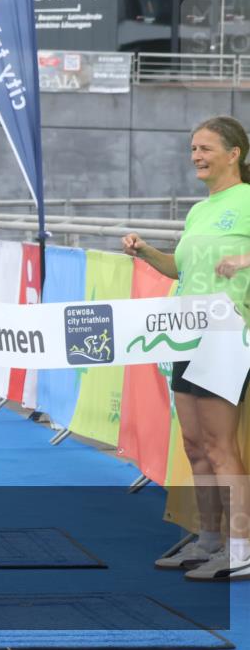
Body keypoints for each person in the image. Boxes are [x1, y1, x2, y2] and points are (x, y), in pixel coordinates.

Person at [123, 115, 250, 582]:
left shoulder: (248, 200)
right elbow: (178, 268)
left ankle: (242, 548)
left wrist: (245, 258)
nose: (196, 156)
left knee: (220, 446)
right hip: (186, 333)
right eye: (192, 149)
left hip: (226, 336)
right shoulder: (200, 209)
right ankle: (209, 540)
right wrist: (144, 250)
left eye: (205, 148)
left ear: (234, 154)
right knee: (195, 445)